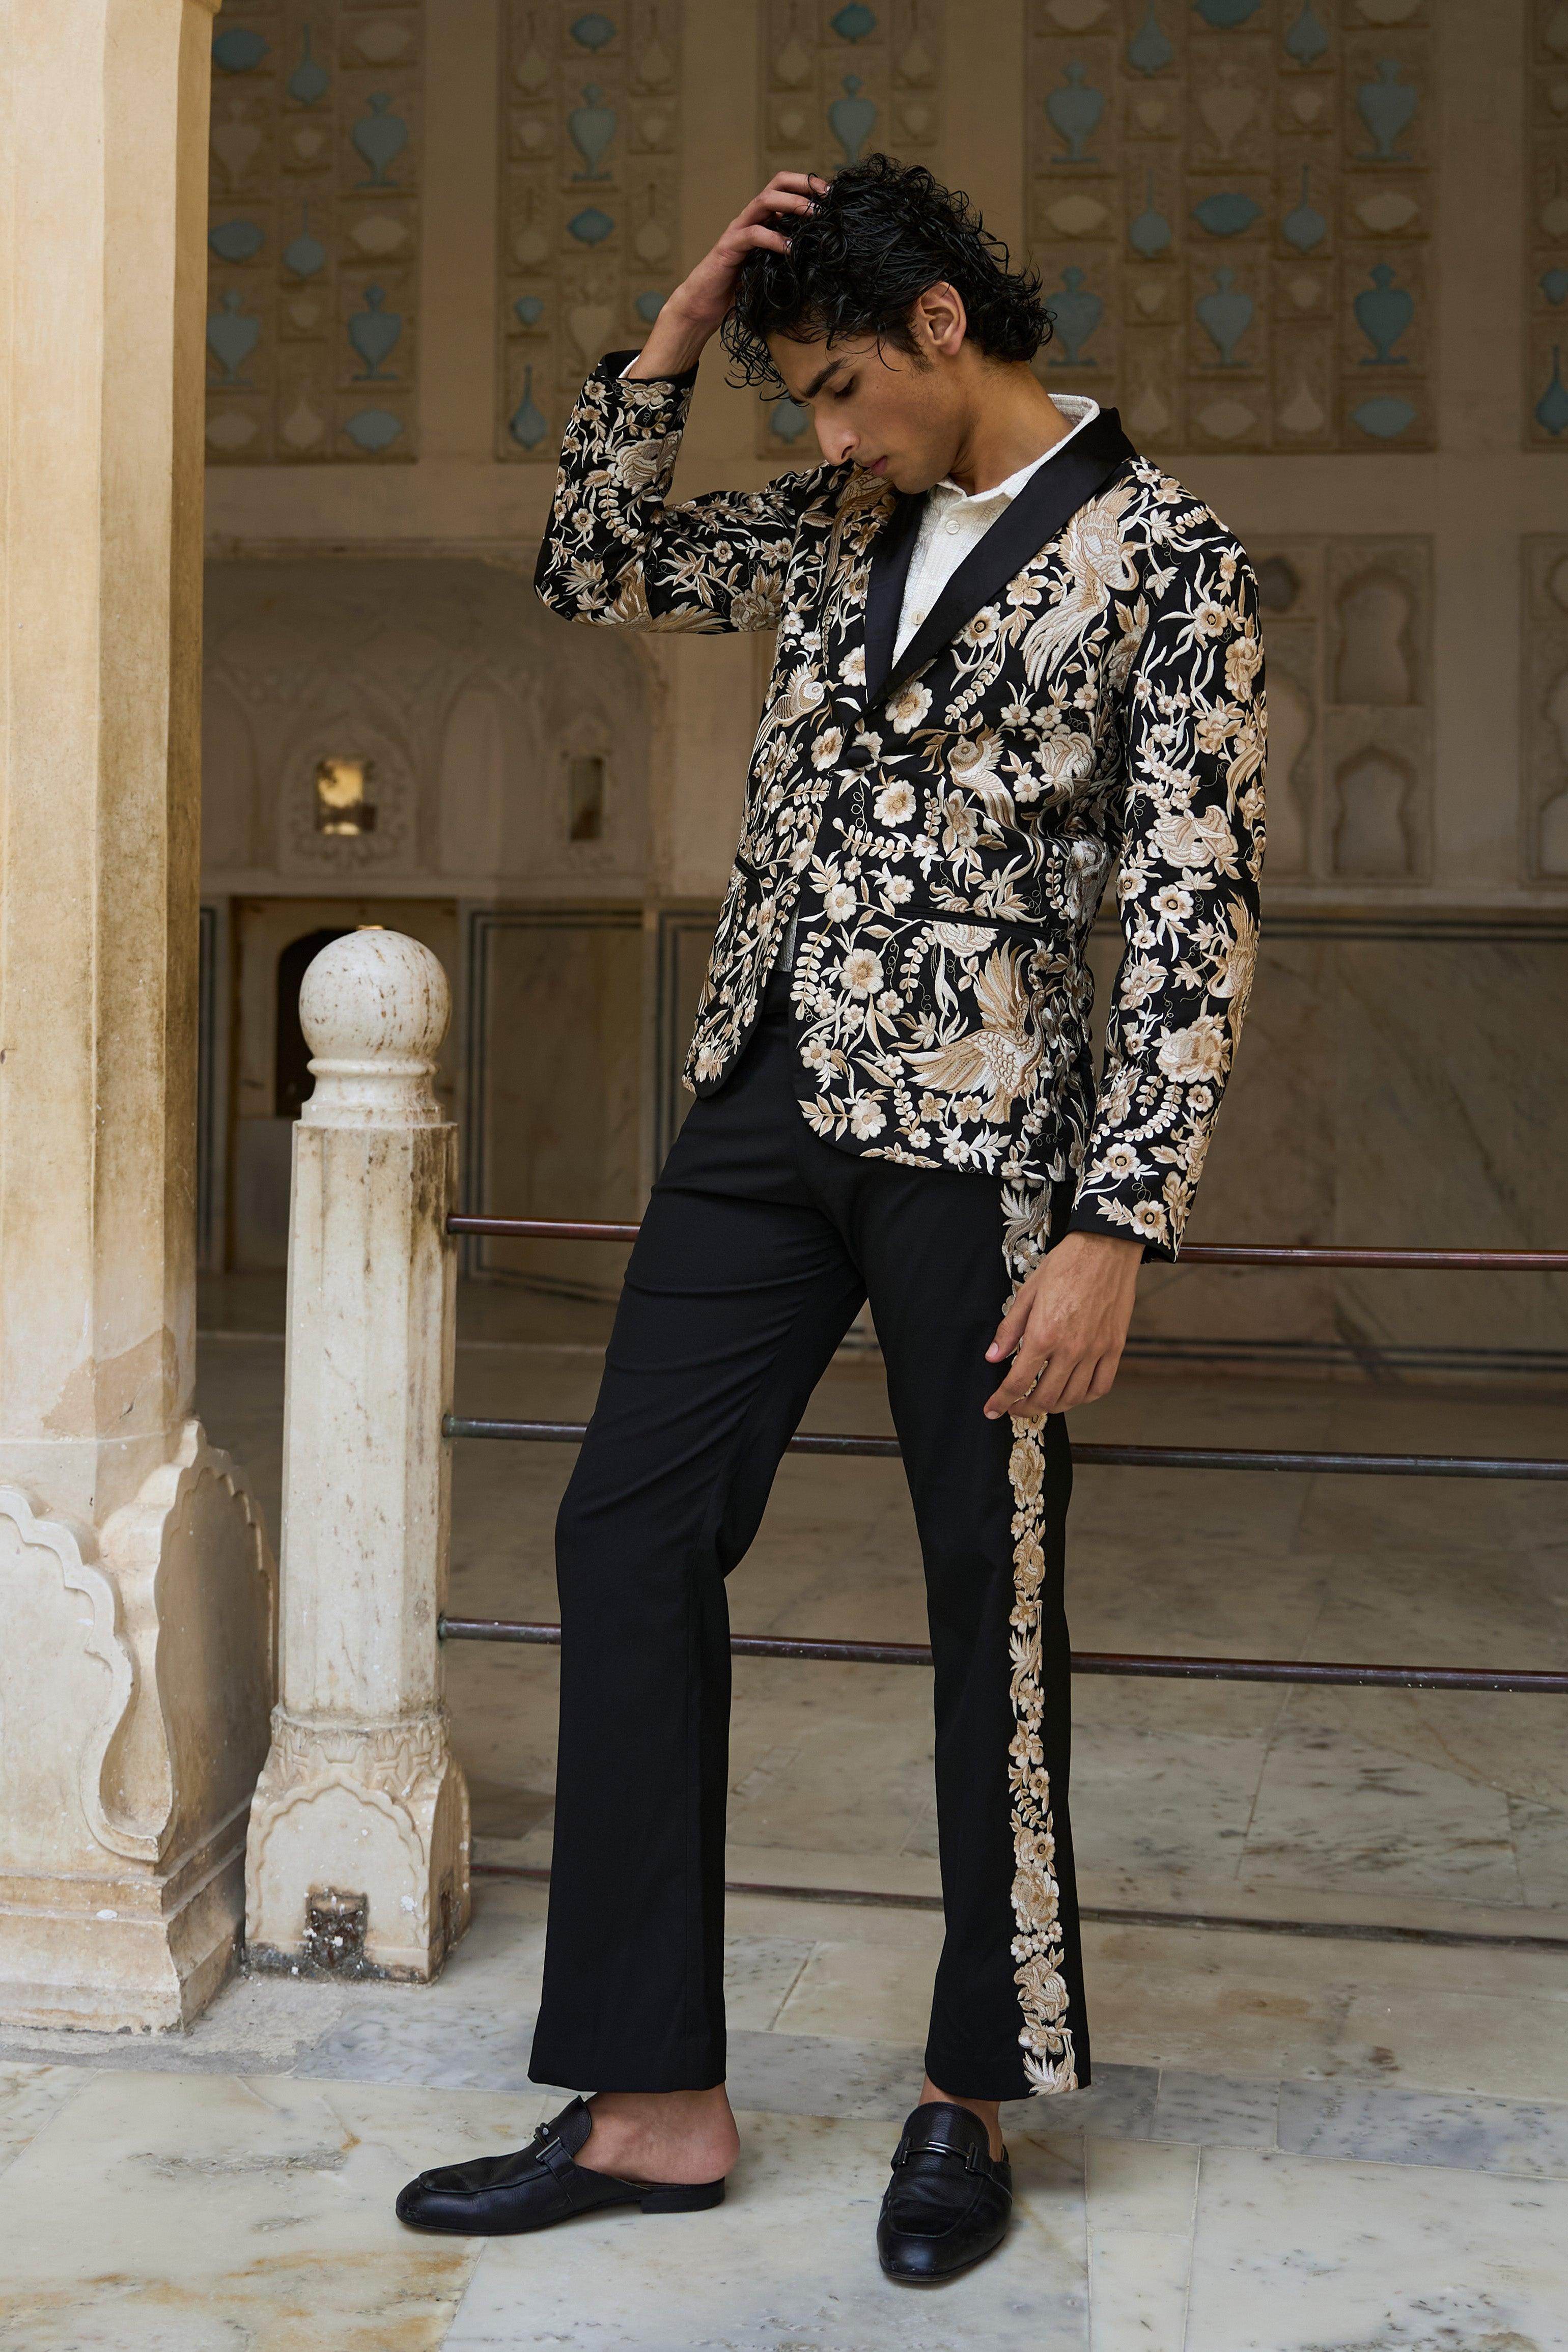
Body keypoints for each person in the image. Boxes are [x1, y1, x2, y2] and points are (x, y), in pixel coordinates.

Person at [397, 155, 1265, 2285]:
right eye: (798, 398)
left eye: (840, 387)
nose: (826, 431)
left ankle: (969, 2089)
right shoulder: (828, 519)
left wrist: (1119, 1221)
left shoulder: (1170, 560)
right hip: (762, 1098)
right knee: (624, 1530)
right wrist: (680, 330)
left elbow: (1192, 905)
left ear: (943, 327)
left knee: (988, 1595)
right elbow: (594, 560)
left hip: (990, 1137)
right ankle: (649, 2100)